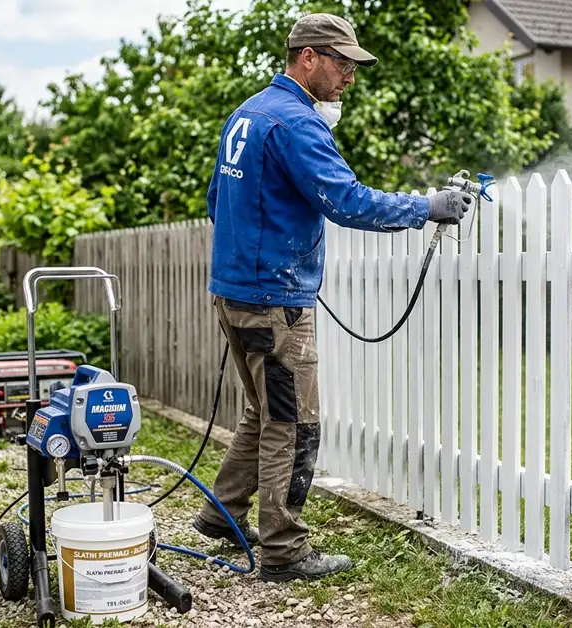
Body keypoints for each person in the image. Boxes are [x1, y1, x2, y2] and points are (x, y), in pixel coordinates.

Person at [192, 12, 473, 582]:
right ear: (309, 57)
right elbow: (347, 201)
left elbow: (215, 199)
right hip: (274, 303)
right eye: (343, 64)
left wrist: (257, 256)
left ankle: (223, 516)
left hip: (234, 294)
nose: (350, 77)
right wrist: (427, 207)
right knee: (294, 424)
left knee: (264, 412)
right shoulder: (296, 123)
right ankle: (283, 551)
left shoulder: (246, 115)